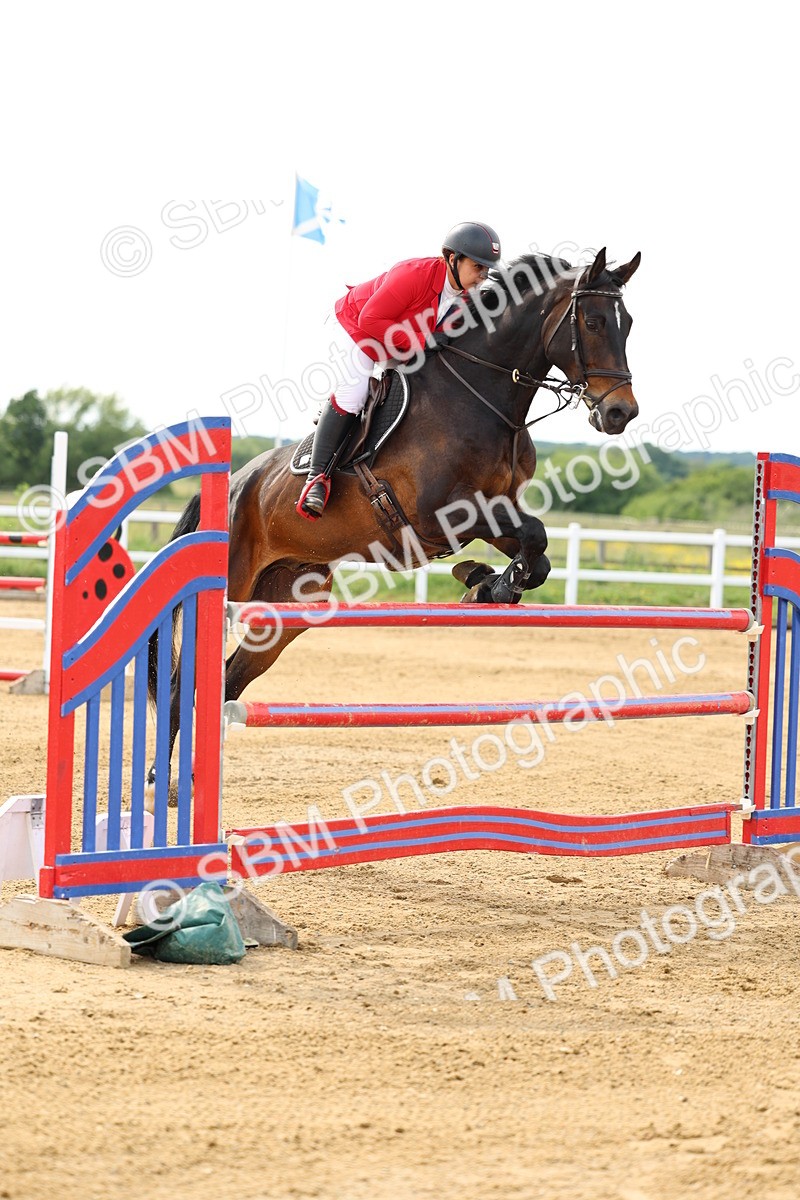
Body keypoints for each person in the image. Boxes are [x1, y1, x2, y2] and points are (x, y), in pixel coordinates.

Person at [297, 221, 502, 519]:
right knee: (354, 394)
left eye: (487, 270)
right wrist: (425, 340)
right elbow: (371, 321)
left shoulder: (470, 298)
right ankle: (316, 478)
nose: (482, 276)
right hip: (359, 326)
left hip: (399, 339)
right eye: (478, 267)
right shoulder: (414, 275)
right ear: (452, 258)